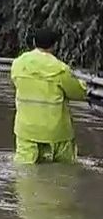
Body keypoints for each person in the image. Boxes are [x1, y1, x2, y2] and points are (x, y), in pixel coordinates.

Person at [10, 28, 88, 164]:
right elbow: (77, 93)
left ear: (34, 42)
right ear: (54, 45)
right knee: (64, 173)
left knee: (25, 174)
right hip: (56, 132)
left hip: (26, 130)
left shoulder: (18, 64)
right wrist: (83, 85)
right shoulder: (60, 69)